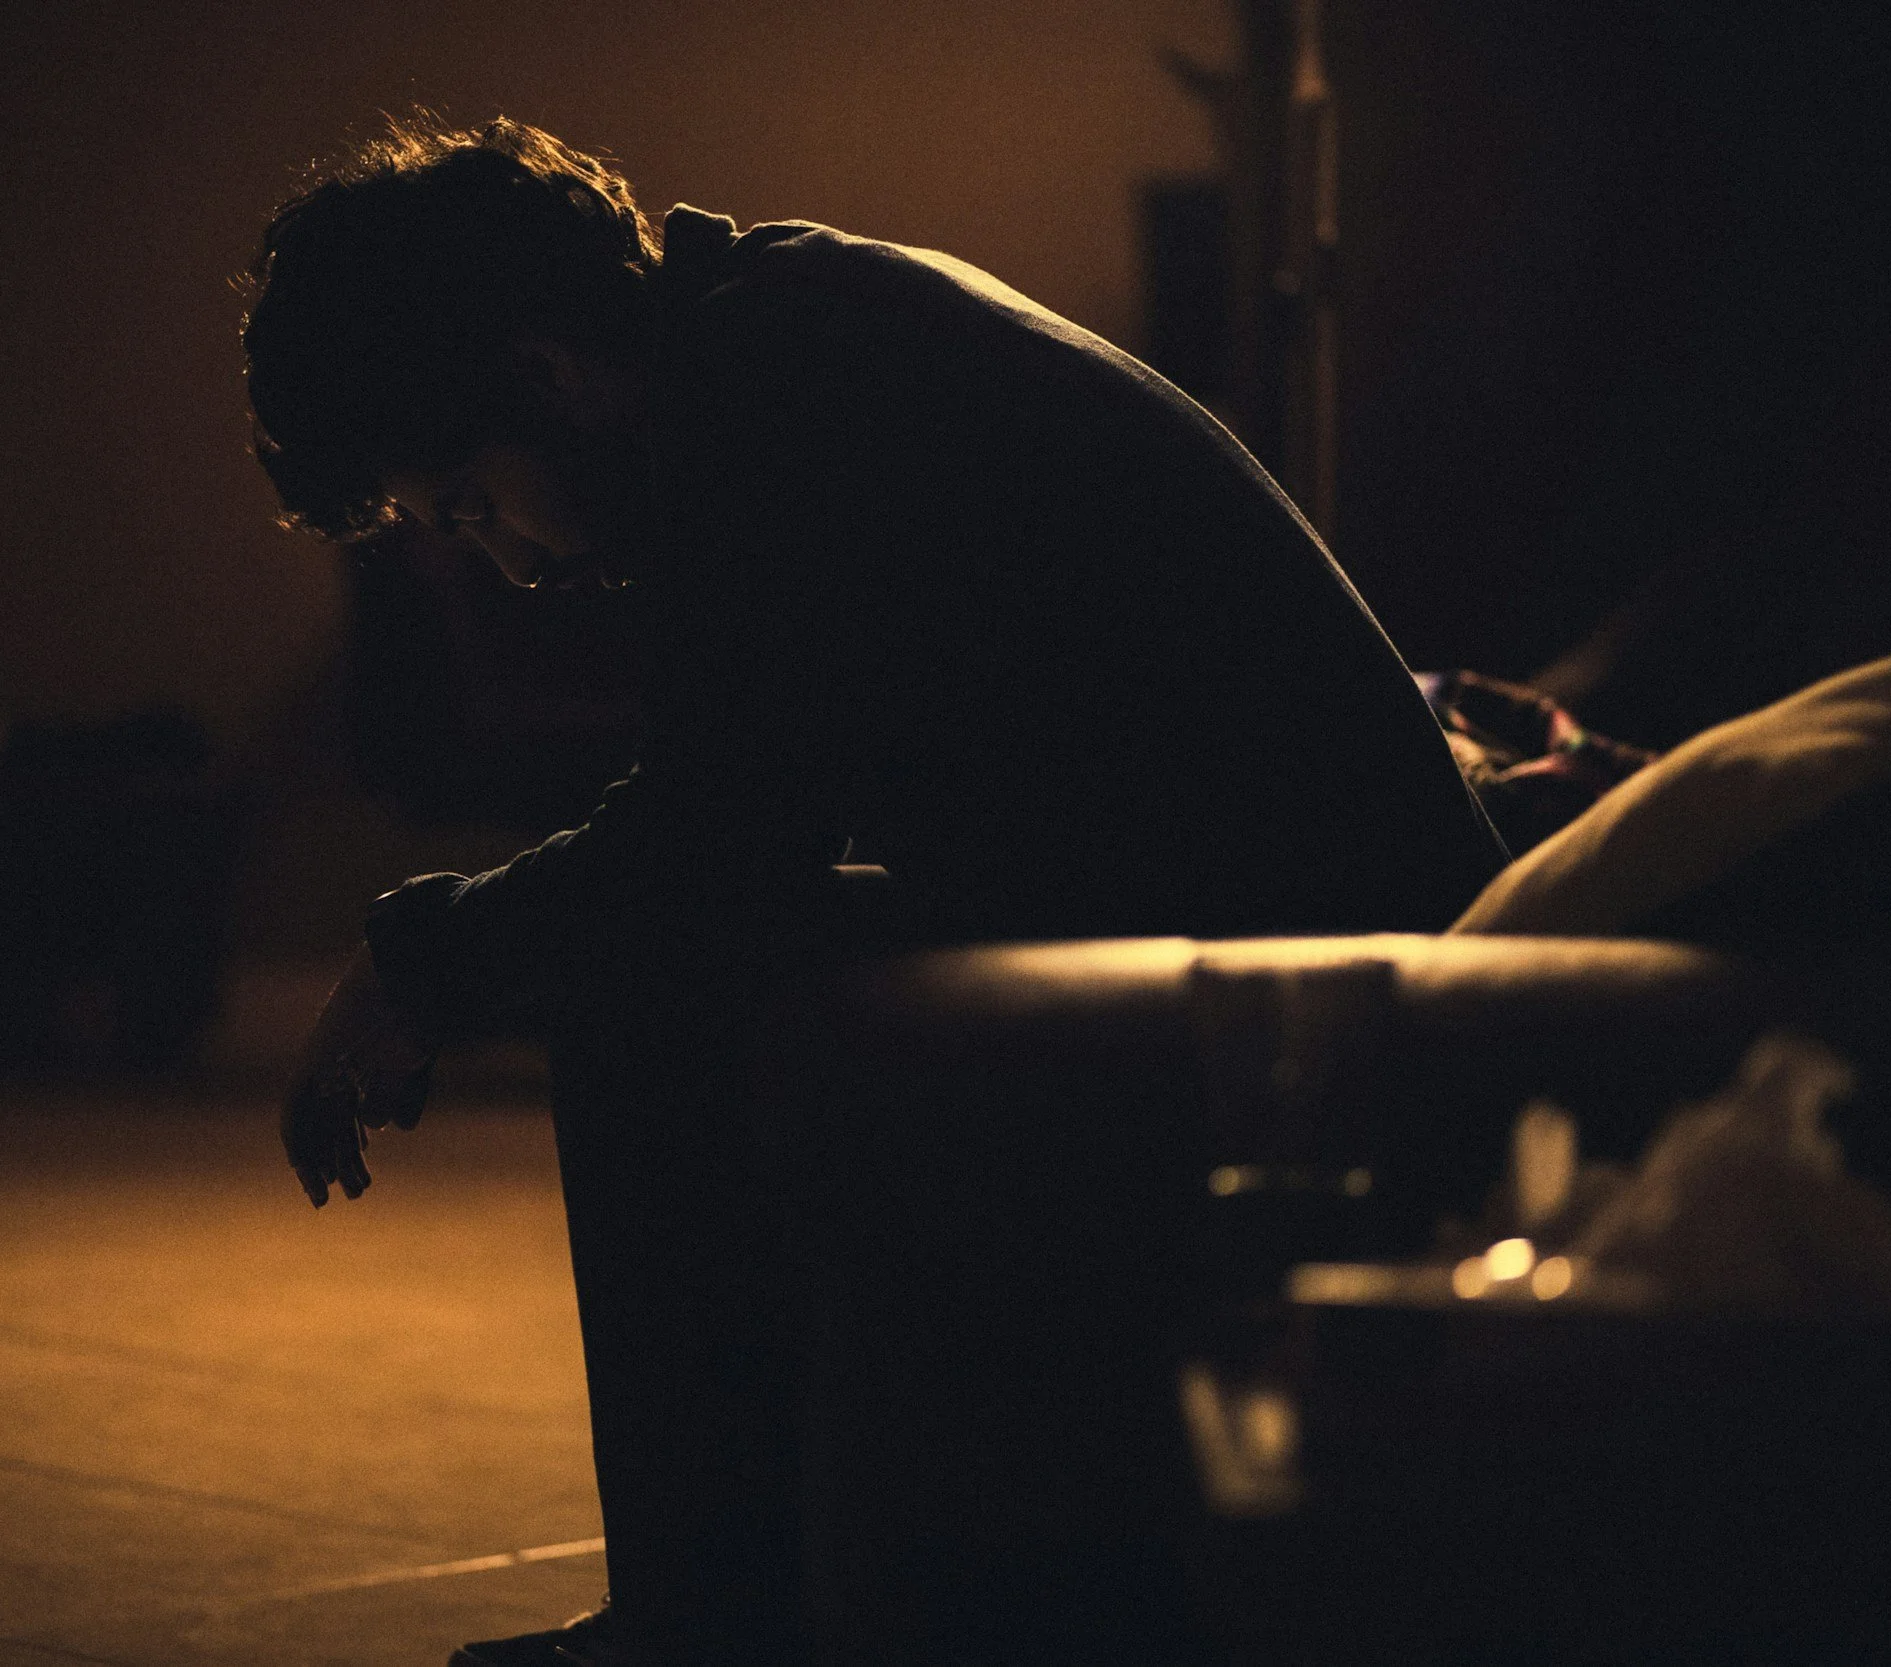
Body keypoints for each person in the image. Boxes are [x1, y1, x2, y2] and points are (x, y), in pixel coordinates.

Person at [243, 115, 1505, 1666]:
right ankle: (737, 1604)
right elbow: (754, 809)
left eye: (469, 506)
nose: (500, 559)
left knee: (653, 990)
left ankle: (710, 1622)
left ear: (545, 378)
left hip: (1334, 978)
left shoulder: (777, 398)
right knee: (709, 963)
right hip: (1266, 922)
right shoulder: (773, 330)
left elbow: (713, 844)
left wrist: (413, 962)